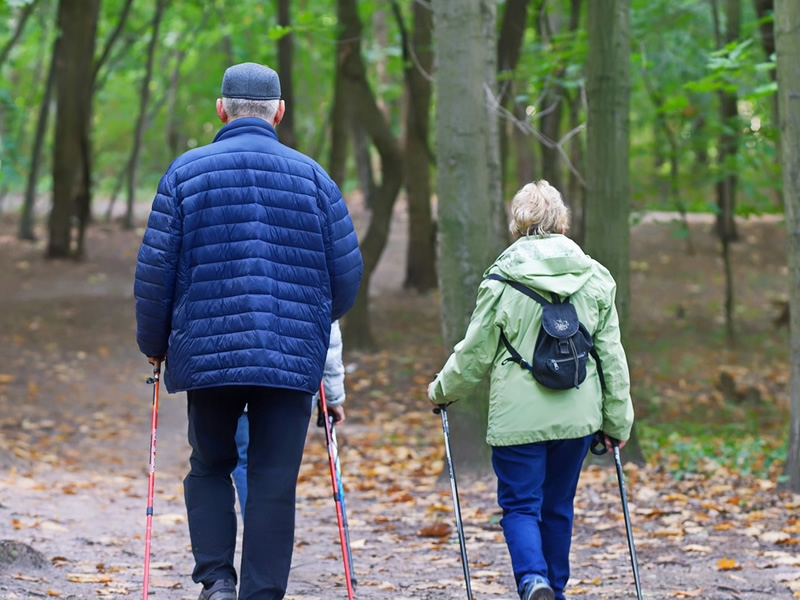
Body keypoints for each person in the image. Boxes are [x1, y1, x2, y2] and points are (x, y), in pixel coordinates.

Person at [133, 62, 362, 600]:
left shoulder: (185, 174)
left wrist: (154, 344)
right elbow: (346, 278)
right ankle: (261, 593)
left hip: (210, 356)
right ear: (279, 112)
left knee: (209, 465)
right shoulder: (315, 179)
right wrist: (309, 320)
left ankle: (216, 580)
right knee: (273, 482)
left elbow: (154, 273)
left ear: (222, 109)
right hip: (290, 361)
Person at [427, 180, 633, 600]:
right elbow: (611, 355)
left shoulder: (501, 280)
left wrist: (442, 390)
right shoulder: (596, 278)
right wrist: (617, 420)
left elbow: (474, 353)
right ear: (562, 222)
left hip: (518, 420)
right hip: (578, 417)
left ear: (518, 222)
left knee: (521, 506)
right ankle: (552, 590)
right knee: (557, 507)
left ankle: (533, 581)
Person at [232, 319, 346, 518]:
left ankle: (255, 531)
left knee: (245, 461)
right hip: (292, 383)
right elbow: (329, 337)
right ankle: (269, 539)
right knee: (279, 464)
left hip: (236, 378)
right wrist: (333, 396)